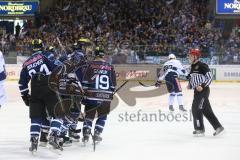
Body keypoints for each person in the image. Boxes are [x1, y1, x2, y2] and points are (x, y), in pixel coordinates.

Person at [18, 39, 63, 152]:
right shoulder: (47, 55)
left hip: (35, 89)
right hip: (48, 86)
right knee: (58, 113)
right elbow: (58, 68)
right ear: (42, 46)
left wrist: (25, 96)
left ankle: (34, 141)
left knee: (36, 117)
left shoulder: (26, 62)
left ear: (31, 48)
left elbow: (22, 83)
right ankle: (54, 135)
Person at [81, 47, 116, 144]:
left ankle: (86, 134)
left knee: (89, 115)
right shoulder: (110, 66)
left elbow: (84, 82)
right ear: (103, 55)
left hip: (91, 95)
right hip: (105, 96)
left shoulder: (90, 65)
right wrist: (111, 92)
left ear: (95, 55)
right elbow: (113, 84)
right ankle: (97, 133)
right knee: (103, 115)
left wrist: (84, 94)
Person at [187, 48, 224, 136]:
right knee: (205, 110)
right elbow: (193, 78)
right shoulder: (192, 66)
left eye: (191, 56)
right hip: (197, 92)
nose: (189, 57)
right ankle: (218, 127)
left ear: (196, 57)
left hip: (203, 91)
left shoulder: (202, 65)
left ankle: (199, 129)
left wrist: (202, 86)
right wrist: (190, 85)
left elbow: (210, 77)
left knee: (196, 108)